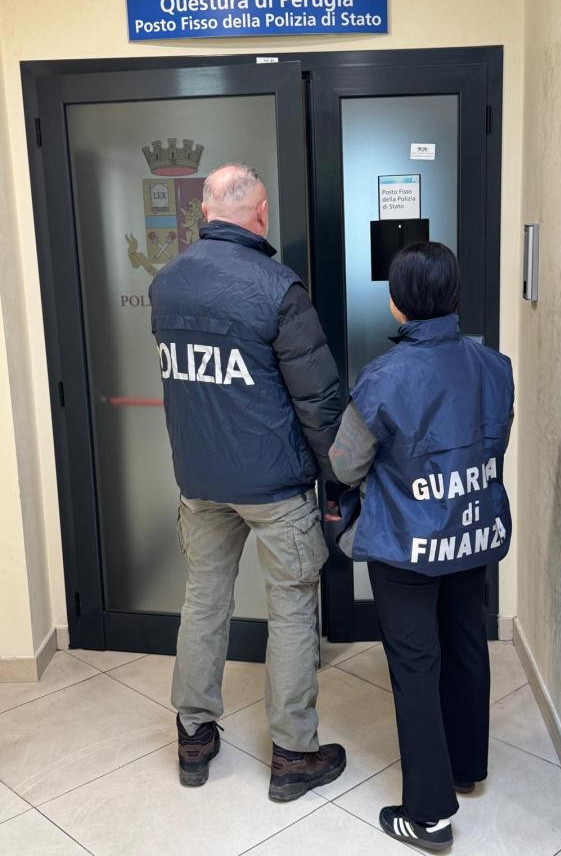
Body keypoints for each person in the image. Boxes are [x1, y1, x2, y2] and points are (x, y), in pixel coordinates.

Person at [149, 163, 346, 799]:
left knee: (204, 598)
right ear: (260, 215)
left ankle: (193, 738)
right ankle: (293, 755)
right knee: (290, 606)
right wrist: (341, 477)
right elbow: (319, 401)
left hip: (200, 480)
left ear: (205, 213)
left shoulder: (166, 284)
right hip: (273, 484)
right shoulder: (278, 288)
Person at [329, 241, 514, 851]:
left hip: (406, 544)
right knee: (466, 644)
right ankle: (465, 767)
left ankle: (429, 815)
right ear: (455, 295)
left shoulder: (384, 377)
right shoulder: (494, 366)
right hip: (472, 531)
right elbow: (489, 444)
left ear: (397, 303)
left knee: (415, 666)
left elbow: (346, 463)